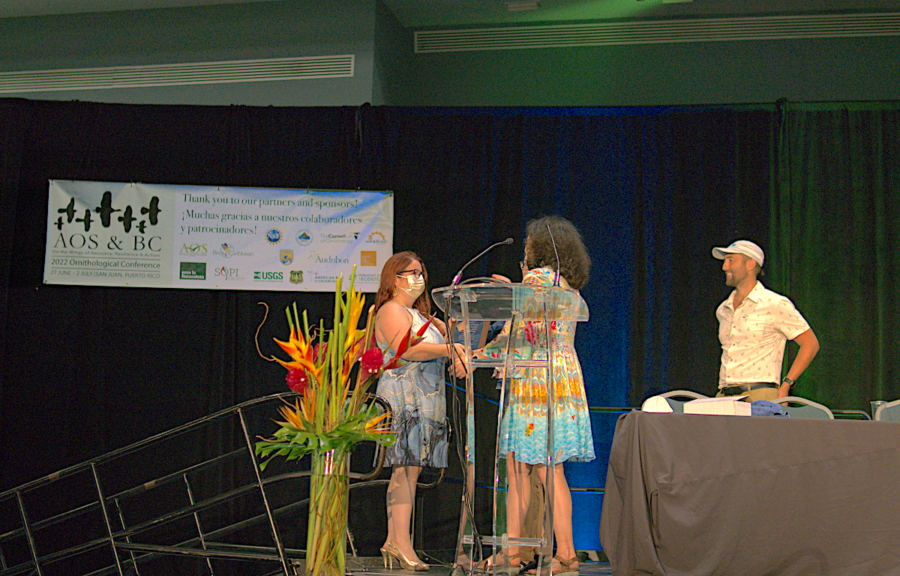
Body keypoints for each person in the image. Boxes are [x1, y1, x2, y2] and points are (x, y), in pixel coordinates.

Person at [475, 216, 595, 576]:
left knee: (530, 468)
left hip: (536, 379)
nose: (525, 247)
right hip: (561, 377)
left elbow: (520, 333)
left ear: (538, 247)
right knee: (542, 467)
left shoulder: (537, 280)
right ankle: (555, 553)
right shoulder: (566, 285)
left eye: (529, 242)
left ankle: (526, 553)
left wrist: (477, 355)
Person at [374, 251, 468, 571]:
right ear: (394, 278)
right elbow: (406, 349)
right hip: (403, 398)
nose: (419, 279)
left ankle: (394, 541)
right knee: (405, 470)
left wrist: (455, 338)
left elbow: (453, 344)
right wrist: (448, 349)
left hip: (427, 400)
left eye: (421, 272)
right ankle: (401, 543)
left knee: (411, 471)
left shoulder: (423, 316)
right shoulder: (390, 310)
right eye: (411, 273)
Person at [712, 240, 819, 400]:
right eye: (725, 261)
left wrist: (786, 385)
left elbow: (810, 344)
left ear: (750, 264)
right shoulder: (723, 309)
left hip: (759, 394)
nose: (724, 267)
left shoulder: (774, 303)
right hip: (725, 395)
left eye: (731, 260)